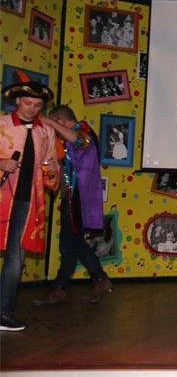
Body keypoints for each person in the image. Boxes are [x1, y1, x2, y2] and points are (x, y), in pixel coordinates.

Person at [33, 105, 112, 306]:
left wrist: (49, 121)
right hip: (72, 197)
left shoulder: (83, 130)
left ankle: (97, 280)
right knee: (69, 243)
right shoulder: (66, 141)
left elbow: (80, 141)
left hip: (80, 198)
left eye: (55, 123)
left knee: (72, 242)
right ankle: (62, 288)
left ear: (60, 120)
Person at [0, 74, 59, 331]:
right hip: (2, 199)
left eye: (37, 105)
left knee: (15, 259)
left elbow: (51, 166)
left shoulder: (46, 131)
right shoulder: (1, 125)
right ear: (17, 101)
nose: (32, 109)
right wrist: (1, 163)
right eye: (27, 103)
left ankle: (3, 313)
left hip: (27, 202)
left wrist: (52, 173)